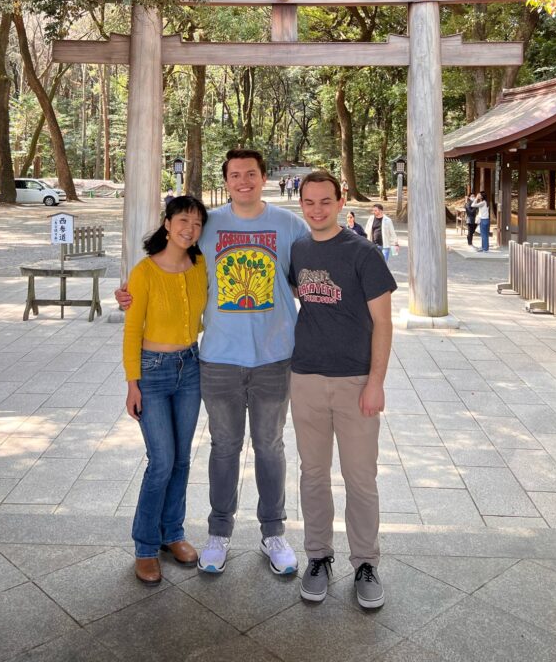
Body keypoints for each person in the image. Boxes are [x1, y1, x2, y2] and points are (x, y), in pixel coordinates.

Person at [117, 149, 309, 578]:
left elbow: (311, 275)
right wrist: (131, 291)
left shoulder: (289, 225)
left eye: (251, 174)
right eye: (235, 175)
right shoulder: (209, 226)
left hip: (275, 358)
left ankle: (273, 532)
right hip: (218, 360)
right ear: (226, 181)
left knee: (270, 447)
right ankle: (218, 534)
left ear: (264, 178)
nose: (244, 181)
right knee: (222, 449)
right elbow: (170, 266)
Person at [290, 172, 395, 609]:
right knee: (313, 475)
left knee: (360, 479)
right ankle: (318, 557)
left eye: (325, 201)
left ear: (340, 202)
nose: (317, 209)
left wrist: (376, 383)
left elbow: (384, 324)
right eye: (309, 202)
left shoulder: (364, 254)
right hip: (306, 378)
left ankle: (366, 563)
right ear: (302, 204)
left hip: (355, 383)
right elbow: (299, 297)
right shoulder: (297, 249)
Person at [123, 194, 208, 585]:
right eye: (183, 222)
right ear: (168, 223)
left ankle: (172, 533)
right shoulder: (145, 272)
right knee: (161, 460)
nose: (189, 230)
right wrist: (132, 384)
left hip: (190, 367)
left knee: (182, 460)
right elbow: (131, 330)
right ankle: (145, 545)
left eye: (196, 224)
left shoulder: (200, 264)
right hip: (153, 373)